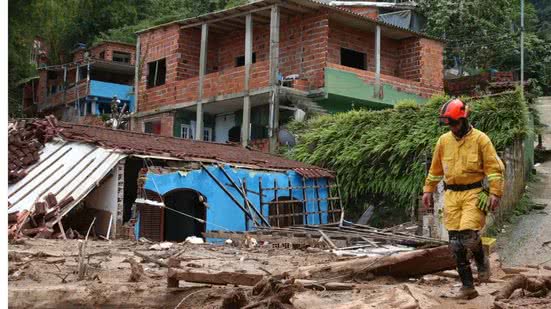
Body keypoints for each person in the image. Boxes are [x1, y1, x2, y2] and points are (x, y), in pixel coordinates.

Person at [422, 98, 505, 300]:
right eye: (449, 124)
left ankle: (481, 259)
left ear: (465, 119)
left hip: (474, 193)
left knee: (468, 235)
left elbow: (494, 169)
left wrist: (495, 192)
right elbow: (435, 170)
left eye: (455, 123)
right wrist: (428, 190)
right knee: (455, 244)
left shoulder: (481, 139)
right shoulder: (443, 141)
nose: (452, 128)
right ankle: (468, 287)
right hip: (451, 195)